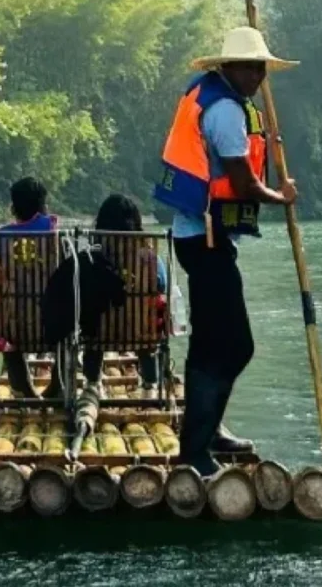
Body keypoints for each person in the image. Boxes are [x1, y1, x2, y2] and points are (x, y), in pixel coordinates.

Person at [153, 25, 299, 477]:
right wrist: (282, 197)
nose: (257, 76)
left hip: (202, 238)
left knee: (212, 343)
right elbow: (241, 183)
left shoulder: (226, 100)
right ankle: (195, 450)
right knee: (234, 345)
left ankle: (208, 432)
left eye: (261, 68)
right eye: (249, 67)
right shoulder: (224, 111)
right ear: (227, 67)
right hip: (205, 240)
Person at [41, 193, 164, 394]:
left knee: (93, 319)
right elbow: (161, 285)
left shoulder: (91, 258)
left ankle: (93, 381)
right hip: (141, 331)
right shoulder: (150, 258)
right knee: (147, 324)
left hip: (99, 332)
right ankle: (150, 383)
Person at [0, 177, 57, 398]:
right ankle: (58, 386)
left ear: (13, 207)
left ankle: (22, 388)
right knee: (68, 325)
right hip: (52, 329)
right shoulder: (57, 243)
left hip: (11, 329)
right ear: (43, 207)